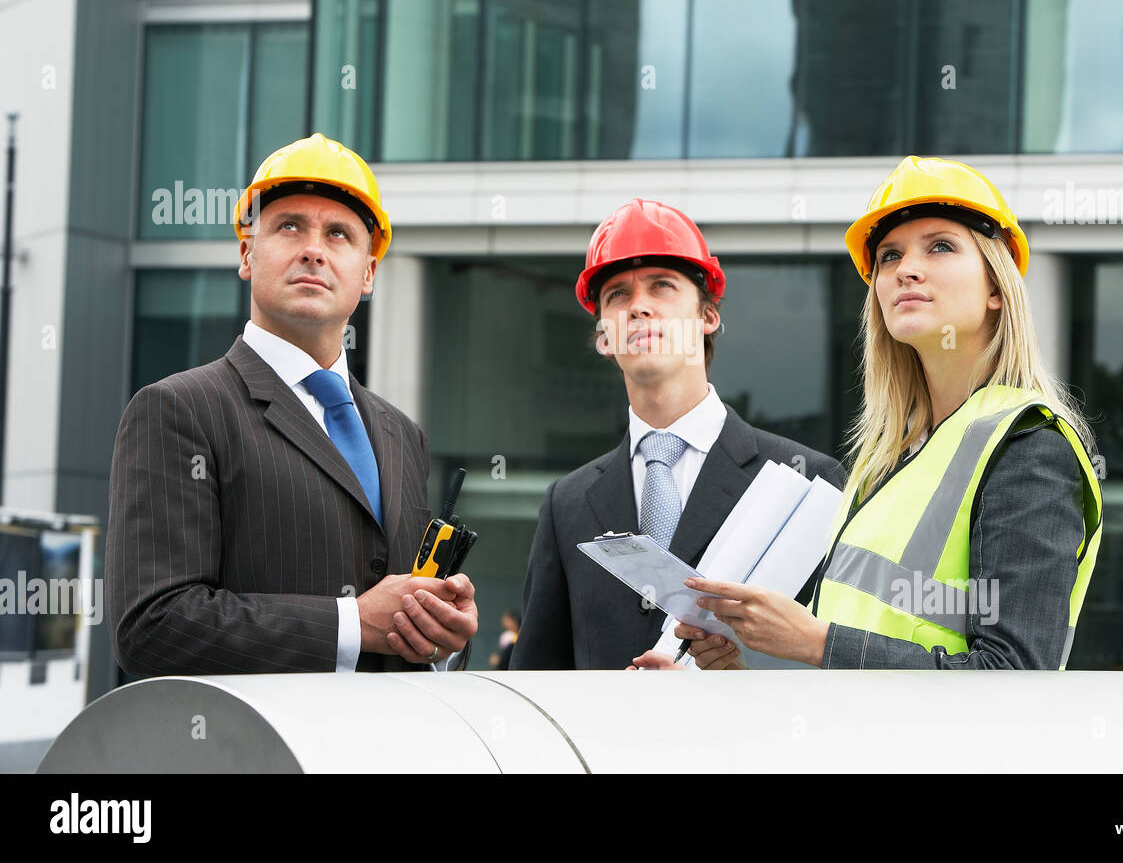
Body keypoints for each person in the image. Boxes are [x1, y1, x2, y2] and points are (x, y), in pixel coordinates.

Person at [641, 156, 1104, 671]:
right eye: (888, 256)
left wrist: (815, 642)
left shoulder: (1028, 448)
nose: (905, 268)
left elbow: (1015, 674)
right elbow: (852, 659)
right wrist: (732, 675)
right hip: (860, 750)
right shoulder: (891, 459)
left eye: (941, 246)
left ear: (997, 288)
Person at [107, 133, 478, 675]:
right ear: (246, 253)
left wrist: (439, 637)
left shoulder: (403, 434)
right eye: (288, 226)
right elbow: (152, 626)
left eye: (338, 234)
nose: (313, 249)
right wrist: (352, 623)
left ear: (368, 272)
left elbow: (401, 627)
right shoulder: (178, 410)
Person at [511, 199, 846, 670]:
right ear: (604, 336)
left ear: (708, 317)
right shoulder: (567, 503)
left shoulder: (809, 479)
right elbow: (538, 674)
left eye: (662, 287)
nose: (639, 307)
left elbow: (833, 666)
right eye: (617, 296)